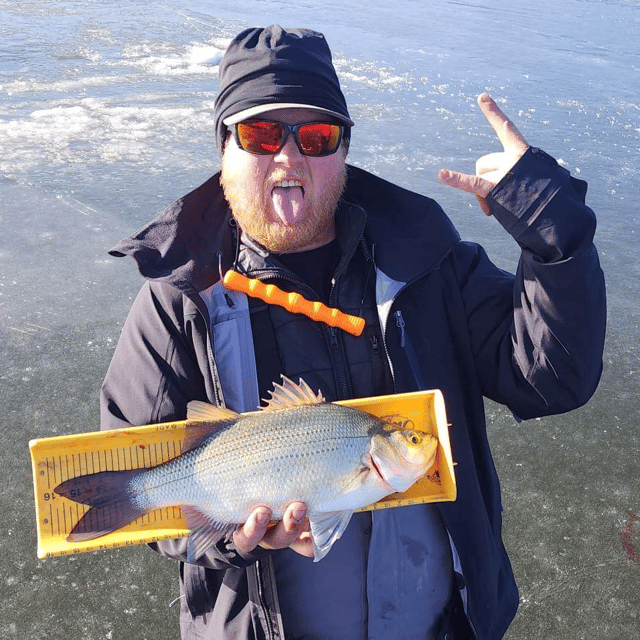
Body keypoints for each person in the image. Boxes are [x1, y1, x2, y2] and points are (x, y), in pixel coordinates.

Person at [100, 25, 606, 640]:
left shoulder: (429, 263)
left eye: (316, 136)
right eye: (260, 134)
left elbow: (554, 378)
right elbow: (139, 483)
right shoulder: (177, 300)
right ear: (224, 150)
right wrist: (231, 536)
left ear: (344, 149)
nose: (289, 159)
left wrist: (549, 219)